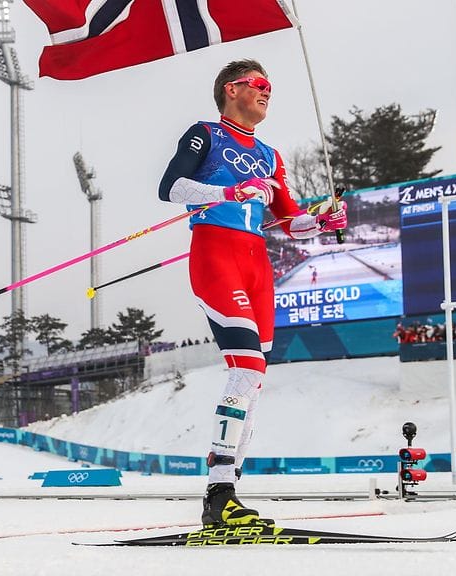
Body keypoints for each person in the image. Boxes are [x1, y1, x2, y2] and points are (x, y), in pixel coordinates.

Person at [158, 59, 348, 526]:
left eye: (270, 86)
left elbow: (290, 219)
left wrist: (322, 220)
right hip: (216, 253)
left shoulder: (269, 154)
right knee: (244, 365)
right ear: (231, 89)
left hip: (256, 264)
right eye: (259, 84)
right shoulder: (205, 133)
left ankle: (230, 494)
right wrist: (230, 192)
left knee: (256, 376)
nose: (267, 92)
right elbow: (170, 187)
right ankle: (217, 494)